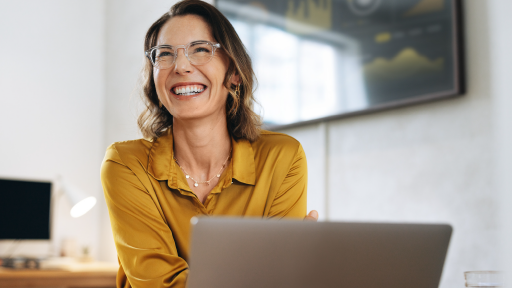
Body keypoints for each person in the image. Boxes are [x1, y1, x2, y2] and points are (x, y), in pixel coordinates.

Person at [100, 0, 318, 287]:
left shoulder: (282, 158)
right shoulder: (125, 164)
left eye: (200, 49)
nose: (180, 66)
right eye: (164, 54)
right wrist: (265, 271)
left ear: (234, 72)